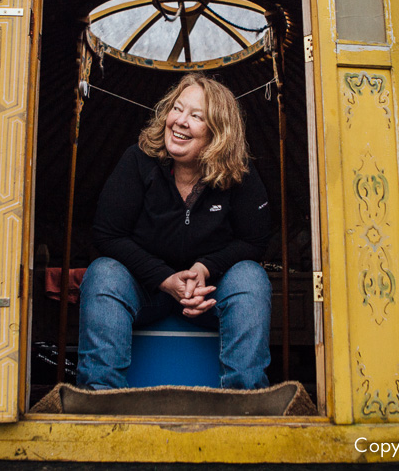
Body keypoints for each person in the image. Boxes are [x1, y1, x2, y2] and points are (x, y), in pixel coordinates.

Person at [77, 73, 272, 390]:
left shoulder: (240, 174)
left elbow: (255, 240)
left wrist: (204, 269)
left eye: (196, 116)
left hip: (209, 295)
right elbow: (107, 234)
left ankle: (245, 399)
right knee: (103, 273)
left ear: (218, 132)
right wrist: (165, 279)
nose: (180, 121)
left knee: (251, 277)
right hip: (146, 292)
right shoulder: (138, 161)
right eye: (177, 109)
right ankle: (100, 397)